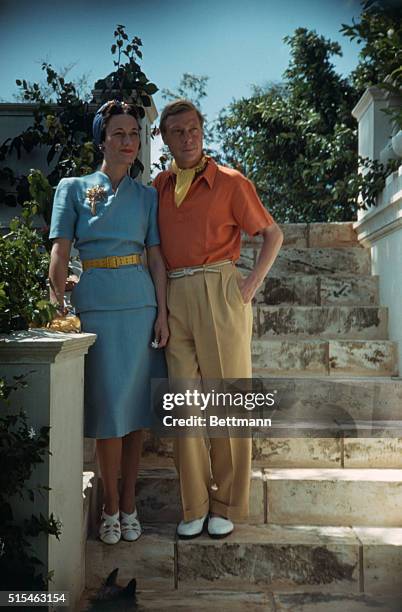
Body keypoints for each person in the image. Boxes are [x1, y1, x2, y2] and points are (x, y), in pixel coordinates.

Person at [154, 99, 283, 539]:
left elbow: (271, 234)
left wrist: (248, 286)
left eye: (193, 129)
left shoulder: (230, 182)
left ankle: (226, 502)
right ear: (165, 138)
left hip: (219, 287)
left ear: (202, 132)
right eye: (177, 132)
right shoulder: (158, 186)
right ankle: (194, 504)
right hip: (174, 294)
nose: (187, 137)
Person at [48, 100, 168, 545]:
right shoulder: (73, 188)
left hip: (140, 309)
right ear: (101, 139)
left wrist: (163, 313)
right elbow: (60, 252)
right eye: (118, 133)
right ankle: (109, 504)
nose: (127, 141)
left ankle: (130, 502)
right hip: (94, 308)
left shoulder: (148, 195)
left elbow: (156, 256)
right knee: (108, 412)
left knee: (135, 412)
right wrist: (56, 304)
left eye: (134, 134)